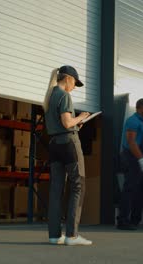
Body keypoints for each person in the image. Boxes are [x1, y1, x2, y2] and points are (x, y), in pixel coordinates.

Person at [43, 65, 92, 246]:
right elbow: (66, 122)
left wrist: (74, 124)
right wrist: (81, 118)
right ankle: (72, 236)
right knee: (78, 186)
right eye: (74, 84)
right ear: (68, 79)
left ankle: (54, 236)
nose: (74, 87)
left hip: (54, 145)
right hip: (69, 144)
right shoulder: (64, 95)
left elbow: (60, 124)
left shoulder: (50, 96)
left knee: (56, 190)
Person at [117, 99, 143, 230]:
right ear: (140, 107)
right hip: (131, 156)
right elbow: (131, 142)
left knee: (137, 189)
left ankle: (134, 220)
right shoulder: (132, 121)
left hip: (138, 156)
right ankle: (122, 221)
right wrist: (141, 159)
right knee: (129, 189)